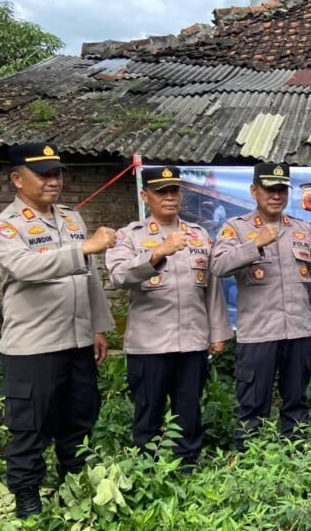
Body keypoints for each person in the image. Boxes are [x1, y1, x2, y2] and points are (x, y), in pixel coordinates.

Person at [0, 142, 115, 518]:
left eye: (56, 173)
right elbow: (24, 268)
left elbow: (90, 279)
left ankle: (73, 486)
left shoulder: (73, 220)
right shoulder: (5, 227)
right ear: (16, 178)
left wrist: (98, 327)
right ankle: (27, 498)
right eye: (42, 174)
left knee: (78, 420)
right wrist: (84, 249)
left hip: (77, 342)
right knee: (29, 429)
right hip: (33, 349)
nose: (52, 181)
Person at [106, 166, 232, 465]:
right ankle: (147, 468)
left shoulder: (199, 235)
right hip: (149, 344)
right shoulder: (130, 236)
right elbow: (119, 276)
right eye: (161, 191)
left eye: (174, 191)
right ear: (145, 195)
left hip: (192, 341)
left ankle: (187, 465)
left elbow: (211, 288)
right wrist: (158, 252)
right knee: (148, 410)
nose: (169, 197)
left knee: (189, 410)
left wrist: (217, 333)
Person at [211, 162, 311, 447]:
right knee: (253, 403)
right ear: (254, 191)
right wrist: (256, 245)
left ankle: (297, 454)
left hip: (298, 330)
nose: (275, 195)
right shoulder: (236, 228)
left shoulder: (301, 229)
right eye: (268, 189)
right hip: (259, 333)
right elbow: (218, 266)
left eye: (280, 189)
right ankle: (250, 458)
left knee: (296, 401)